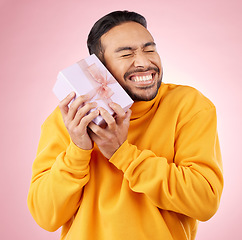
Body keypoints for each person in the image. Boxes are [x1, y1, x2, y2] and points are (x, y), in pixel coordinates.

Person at [27, 10, 223, 240]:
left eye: (149, 49)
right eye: (126, 54)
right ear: (97, 68)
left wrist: (123, 154)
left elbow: (204, 202)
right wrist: (78, 151)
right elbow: (45, 217)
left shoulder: (188, 106)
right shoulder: (69, 121)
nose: (143, 62)